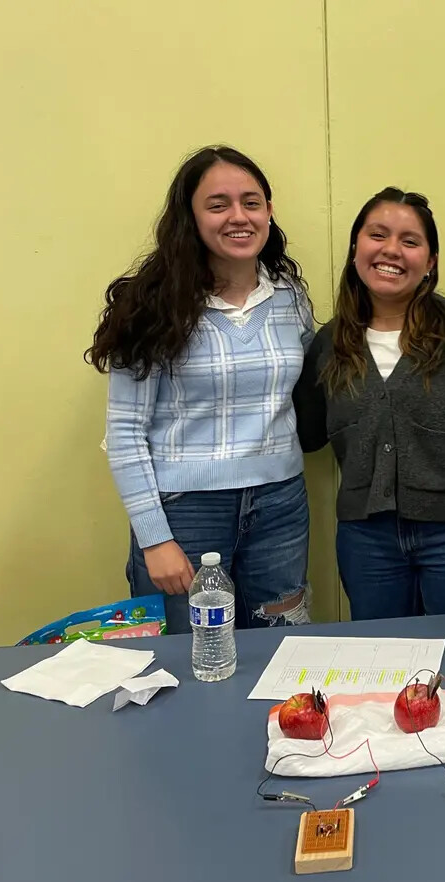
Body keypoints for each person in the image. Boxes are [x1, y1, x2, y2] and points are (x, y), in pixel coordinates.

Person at [86, 146, 316, 634]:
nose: (239, 216)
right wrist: (154, 539)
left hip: (279, 507)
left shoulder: (290, 297)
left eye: (251, 203)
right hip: (183, 513)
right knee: (189, 661)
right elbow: (126, 432)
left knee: (282, 650)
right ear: (189, 217)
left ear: (269, 213)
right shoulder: (150, 305)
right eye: (218, 204)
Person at [294, 187, 445, 620]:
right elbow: (307, 434)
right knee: (382, 669)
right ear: (356, 248)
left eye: (410, 241)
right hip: (367, 544)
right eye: (377, 235)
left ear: (430, 262)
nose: (391, 250)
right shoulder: (331, 343)